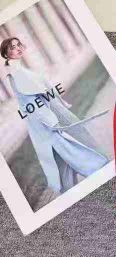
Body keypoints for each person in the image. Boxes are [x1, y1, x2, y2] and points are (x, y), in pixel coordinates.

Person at [1, 36, 109, 194]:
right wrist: (51, 121)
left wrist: (59, 104)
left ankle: (68, 190)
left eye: (18, 45)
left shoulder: (20, 70)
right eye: (12, 47)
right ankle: (99, 169)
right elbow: (33, 103)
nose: (18, 48)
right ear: (6, 54)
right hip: (47, 123)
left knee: (60, 157)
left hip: (49, 119)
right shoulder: (17, 73)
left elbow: (42, 93)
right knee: (69, 149)